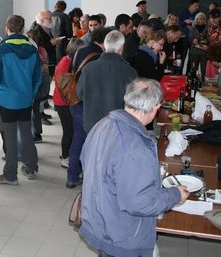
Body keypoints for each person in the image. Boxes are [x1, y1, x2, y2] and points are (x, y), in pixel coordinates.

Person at [80, 78, 189, 257]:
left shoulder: (103, 124)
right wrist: (175, 195)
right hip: (121, 235)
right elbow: (140, 202)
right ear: (155, 107)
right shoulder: (134, 146)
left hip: (99, 218)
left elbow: (86, 161)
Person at [0, 15, 42, 185]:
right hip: (26, 100)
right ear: (21, 29)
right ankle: (31, 167)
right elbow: (37, 78)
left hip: (7, 100)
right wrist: (30, 93)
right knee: (26, 133)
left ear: (7, 28)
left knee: (10, 137)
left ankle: (10, 175)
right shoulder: (32, 49)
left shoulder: (1, 49)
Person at [66, 27, 108, 188]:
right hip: (88, 105)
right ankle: (89, 176)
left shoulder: (80, 51)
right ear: (104, 42)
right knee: (92, 141)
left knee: (78, 138)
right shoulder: (99, 57)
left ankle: (72, 175)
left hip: (74, 101)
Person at [77, 30, 138, 134]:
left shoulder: (88, 68)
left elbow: (80, 94)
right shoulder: (130, 72)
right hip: (118, 126)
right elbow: (134, 103)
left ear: (104, 46)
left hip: (92, 125)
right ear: (121, 48)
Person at [53, 38, 87, 169]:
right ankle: (65, 156)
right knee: (69, 131)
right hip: (64, 103)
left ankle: (66, 154)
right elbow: (66, 90)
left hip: (66, 102)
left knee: (70, 130)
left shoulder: (70, 61)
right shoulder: (65, 64)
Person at [187, 12, 208, 77]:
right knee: (193, 68)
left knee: (204, 69)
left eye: (204, 18)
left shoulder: (208, 28)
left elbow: (209, 39)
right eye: (201, 18)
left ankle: (203, 82)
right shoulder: (192, 28)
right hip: (194, 51)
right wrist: (193, 40)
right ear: (197, 19)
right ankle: (193, 81)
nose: (202, 20)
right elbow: (189, 39)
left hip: (204, 51)